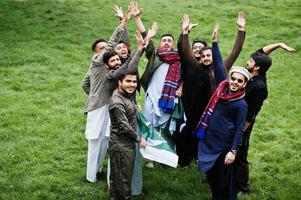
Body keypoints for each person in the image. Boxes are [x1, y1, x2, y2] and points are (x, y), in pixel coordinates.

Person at [176, 12, 246, 167]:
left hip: (220, 111)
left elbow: (237, 50)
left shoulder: (223, 65)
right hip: (200, 110)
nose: (206, 58)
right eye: (203, 56)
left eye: (209, 55)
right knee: (191, 135)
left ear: (214, 55)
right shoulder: (198, 68)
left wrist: (241, 30)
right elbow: (187, 52)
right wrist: (185, 32)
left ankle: (212, 163)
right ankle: (188, 159)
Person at [231, 43, 296, 194]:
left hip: (243, 124)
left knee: (239, 151)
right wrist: (279, 45)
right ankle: (222, 177)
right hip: (231, 117)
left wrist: (239, 133)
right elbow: (262, 51)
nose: (247, 61)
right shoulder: (253, 70)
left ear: (257, 67)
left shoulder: (259, 87)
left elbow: (251, 114)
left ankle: (242, 187)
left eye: (250, 61)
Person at [83, 7, 134, 183]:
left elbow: (124, 49)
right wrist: (122, 23)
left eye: (106, 48)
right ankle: (91, 177)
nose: (106, 50)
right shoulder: (96, 63)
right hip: (97, 108)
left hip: (111, 107)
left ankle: (99, 170)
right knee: (95, 141)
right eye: (101, 48)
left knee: (106, 140)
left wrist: (124, 26)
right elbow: (85, 84)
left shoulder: (113, 66)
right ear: (96, 52)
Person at [195, 55, 252, 200]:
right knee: (212, 177)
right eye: (233, 78)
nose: (235, 82)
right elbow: (219, 66)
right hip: (209, 140)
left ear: (244, 84)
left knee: (223, 181)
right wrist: (214, 43)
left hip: (223, 146)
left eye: (240, 81)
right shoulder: (221, 92)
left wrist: (233, 151)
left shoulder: (241, 104)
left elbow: (240, 129)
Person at [132, 2, 181, 168]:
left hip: (169, 99)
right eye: (164, 40)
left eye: (169, 41)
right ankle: (150, 158)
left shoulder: (178, 60)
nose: (166, 42)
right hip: (152, 97)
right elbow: (146, 36)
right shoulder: (155, 55)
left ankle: (166, 157)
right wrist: (137, 18)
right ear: (160, 44)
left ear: (173, 45)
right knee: (149, 127)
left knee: (167, 130)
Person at [108, 70, 147, 200]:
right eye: (128, 81)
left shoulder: (125, 94)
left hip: (125, 145)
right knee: (123, 183)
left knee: (120, 180)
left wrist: (133, 108)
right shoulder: (117, 102)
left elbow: (126, 110)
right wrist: (138, 139)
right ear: (120, 82)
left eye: (134, 81)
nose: (132, 84)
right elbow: (123, 126)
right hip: (121, 147)